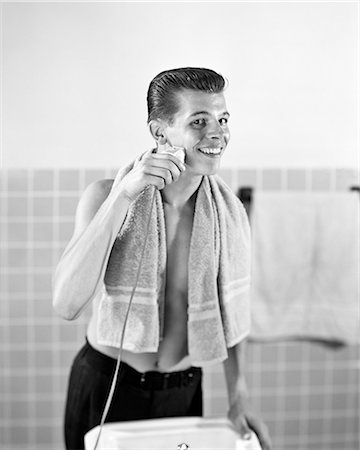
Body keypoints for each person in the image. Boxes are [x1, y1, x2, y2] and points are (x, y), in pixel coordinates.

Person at [53, 67, 271, 450]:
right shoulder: (106, 196)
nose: (217, 134)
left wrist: (239, 395)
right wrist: (124, 197)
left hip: (183, 392)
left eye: (222, 119)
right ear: (160, 132)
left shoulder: (228, 214)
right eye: (198, 121)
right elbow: (67, 303)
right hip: (109, 384)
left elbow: (231, 310)